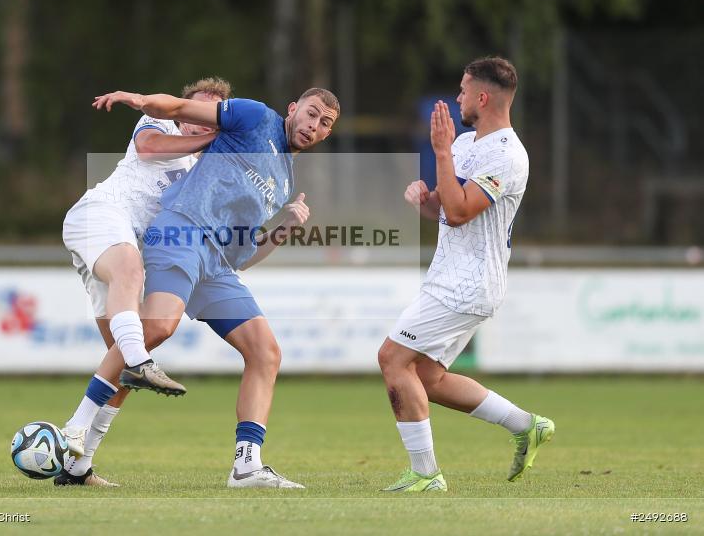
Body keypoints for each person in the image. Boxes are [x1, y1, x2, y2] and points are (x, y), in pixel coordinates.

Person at [87, 86, 340, 488]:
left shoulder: (284, 179)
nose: (314, 125)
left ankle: (247, 466)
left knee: (266, 352)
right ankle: (76, 436)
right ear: (293, 108)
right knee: (154, 330)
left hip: (218, 264)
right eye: (311, 113)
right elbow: (179, 107)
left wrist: (285, 228)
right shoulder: (256, 116)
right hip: (183, 233)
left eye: (325, 123)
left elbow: (244, 256)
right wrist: (141, 100)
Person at [378, 57, 554, 492]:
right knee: (428, 378)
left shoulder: (507, 155)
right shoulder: (463, 143)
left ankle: (426, 474)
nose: (457, 98)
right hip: (449, 277)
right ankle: (527, 425)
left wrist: (439, 152)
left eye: (462, 90)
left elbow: (459, 214)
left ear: (483, 97)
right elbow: (446, 208)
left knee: (392, 358)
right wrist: (424, 201)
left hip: (468, 282)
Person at [57, 78, 232, 487]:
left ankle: (78, 466)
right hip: (99, 215)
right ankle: (142, 363)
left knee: (117, 363)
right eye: (196, 109)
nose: (200, 120)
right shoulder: (162, 124)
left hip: (117, 243)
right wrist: (210, 141)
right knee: (131, 277)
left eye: (210, 116)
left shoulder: (202, 171)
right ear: (182, 108)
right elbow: (149, 149)